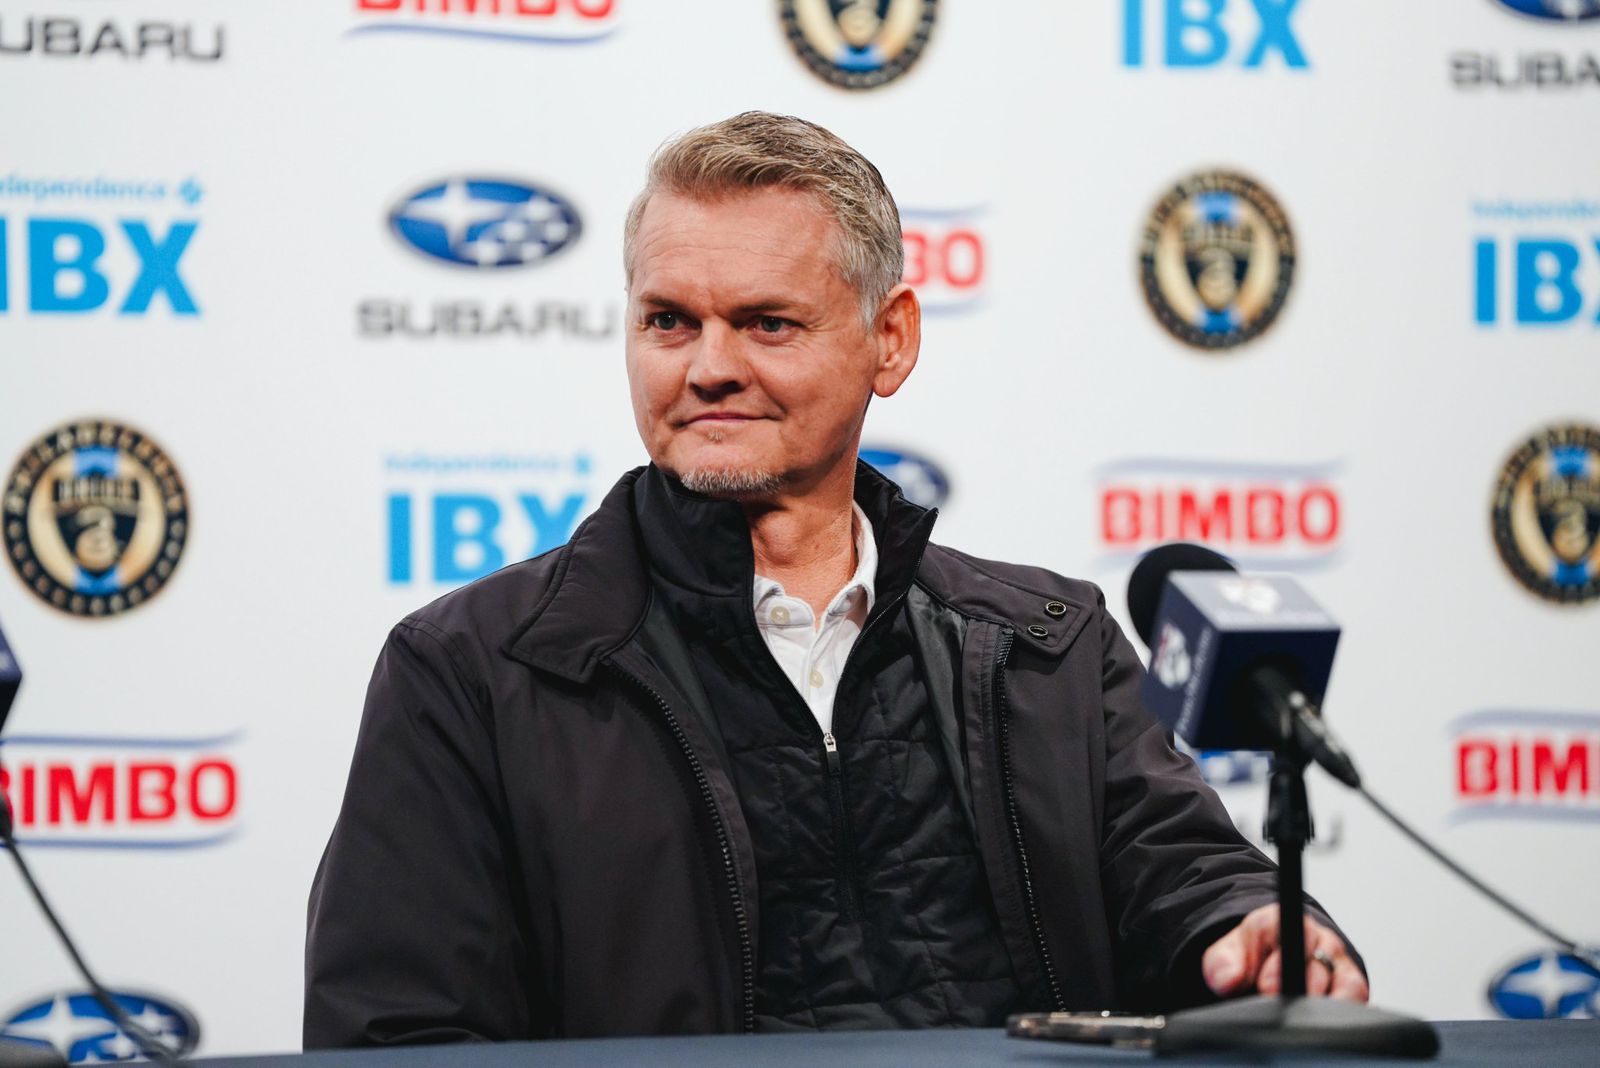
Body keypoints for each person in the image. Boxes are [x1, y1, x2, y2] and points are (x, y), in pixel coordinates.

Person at [304, 111, 1367, 1046]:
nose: (708, 365)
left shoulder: (1046, 642)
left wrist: (1250, 929)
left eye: (767, 322)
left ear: (889, 341)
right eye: (668, 320)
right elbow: (399, 1035)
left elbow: (1180, 876)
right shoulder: (470, 671)